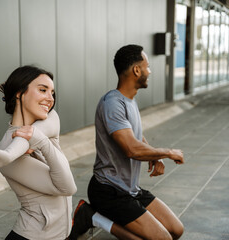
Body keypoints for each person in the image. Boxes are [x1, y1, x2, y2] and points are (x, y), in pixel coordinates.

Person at [70, 44, 185, 240]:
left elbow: (135, 137)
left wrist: (153, 156)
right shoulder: (112, 103)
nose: (150, 71)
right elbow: (131, 149)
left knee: (176, 230)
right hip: (108, 190)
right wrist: (167, 152)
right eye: (147, 66)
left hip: (130, 189)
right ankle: (91, 216)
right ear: (136, 70)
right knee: (161, 239)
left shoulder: (130, 100)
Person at [0, 65, 77, 240]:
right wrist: (4, 155)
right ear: (19, 93)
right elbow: (68, 187)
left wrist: (37, 141)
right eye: (43, 90)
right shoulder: (7, 152)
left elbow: (27, 137)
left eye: (52, 92)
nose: (50, 99)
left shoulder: (50, 118)